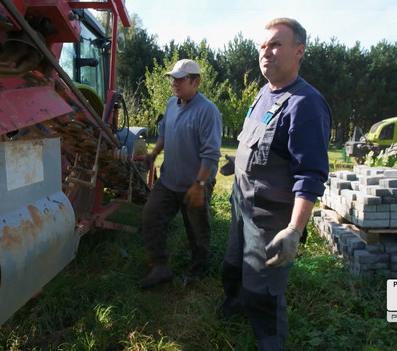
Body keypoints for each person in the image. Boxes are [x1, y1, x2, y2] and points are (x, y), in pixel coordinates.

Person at [219, 18, 332, 350]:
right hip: (242, 208)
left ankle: (270, 342)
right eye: (263, 45)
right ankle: (235, 307)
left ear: (299, 51)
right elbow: (255, 145)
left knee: (263, 292)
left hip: (270, 221)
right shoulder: (263, 94)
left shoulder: (305, 104)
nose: (266, 52)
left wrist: (294, 231)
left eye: (276, 44)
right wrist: (235, 163)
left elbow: (310, 175)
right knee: (233, 267)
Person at [140, 59, 222, 288]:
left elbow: (211, 154)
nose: (174, 83)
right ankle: (160, 266)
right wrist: (154, 152)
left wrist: (199, 185)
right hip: (169, 180)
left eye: (180, 79)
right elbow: (164, 131)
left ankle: (198, 270)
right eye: (173, 79)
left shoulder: (208, 111)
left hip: (194, 184)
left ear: (196, 81)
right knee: (151, 217)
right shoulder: (170, 104)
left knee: (196, 230)